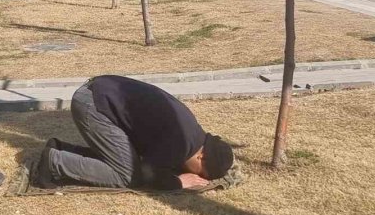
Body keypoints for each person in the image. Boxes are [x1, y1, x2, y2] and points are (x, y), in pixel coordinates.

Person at [32, 75, 234, 190]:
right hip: (94, 105)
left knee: (127, 161)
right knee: (128, 175)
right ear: (201, 156)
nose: (192, 174)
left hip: (97, 96)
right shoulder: (181, 144)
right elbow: (147, 174)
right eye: (198, 173)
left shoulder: (191, 133)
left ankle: (61, 149)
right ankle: (54, 164)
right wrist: (179, 182)